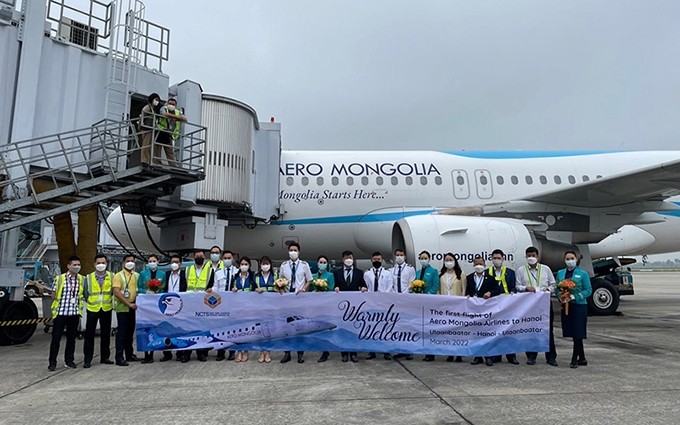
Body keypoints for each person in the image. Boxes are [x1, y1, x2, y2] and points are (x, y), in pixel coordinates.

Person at [516, 246, 558, 366]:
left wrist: (547, 289)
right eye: (529, 256)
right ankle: (531, 356)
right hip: (529, 305)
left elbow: (553, 285)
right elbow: (517, 286)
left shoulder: (545, 269)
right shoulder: (521, 270)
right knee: (531, 330)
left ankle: (551, 357)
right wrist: (525, 288)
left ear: (538, 256)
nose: (531, 258)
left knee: (548, 330)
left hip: (544, 303)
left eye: (533, 255)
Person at [556, 251, 592, 369]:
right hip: (566, 306)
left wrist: (575, 296)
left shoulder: (583, 274)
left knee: (578, 332)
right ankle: (582, 357)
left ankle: (574, 358)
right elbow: (557, 289)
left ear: (576, 260)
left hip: (579, 305)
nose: (569, 260)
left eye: (572, 258)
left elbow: (588, 290)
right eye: (567, 258)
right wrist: (561, 297)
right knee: (573, 331)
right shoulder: (560, 273)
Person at [278, 242, 313, 363]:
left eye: (295, 250)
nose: (293, 252)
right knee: (286, 327)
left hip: (300, 299)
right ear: (288, 252)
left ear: (299, 252)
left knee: (300, 326)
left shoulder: (304, 265)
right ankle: (287, 353)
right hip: (287, 299)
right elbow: (279, 280)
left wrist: (304, 288)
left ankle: (300, 353)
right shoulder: (284, 265)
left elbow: (309, 280)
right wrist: (280, 289)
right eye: (291, 250)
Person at [48, 255, 84, 371]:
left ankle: (69, 360)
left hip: (74, 313)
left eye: (78, 265)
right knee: (56, 339)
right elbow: (53, 295)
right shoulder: (59, 279)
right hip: (61, 313)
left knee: (71, 339)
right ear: (68, 266)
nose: (77, 267)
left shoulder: (81, 279)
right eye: (74, 265)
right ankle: (52, 362)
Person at [485, 249, 519, 365]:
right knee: (493, 331)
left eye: (499, 258)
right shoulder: (487, 272)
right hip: (492, 306)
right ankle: (493, 355)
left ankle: (511, 356)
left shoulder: (510, 272)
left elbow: (514, 287)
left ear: (503, 259)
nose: (497, 260)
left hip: (507, 306)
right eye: (495, 258)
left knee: (509, 330)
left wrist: (512, 294)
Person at [333, 250, 367, 363]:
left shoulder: (359, 272)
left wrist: (363, 288)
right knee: (343, 329)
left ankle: (353, 352)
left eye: (350, 257)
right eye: (346, 257)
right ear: (343, 259)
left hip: (354, 306)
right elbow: (335, 285)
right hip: (341, 306)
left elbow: (363, 285)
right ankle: (344, 353)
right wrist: (336, 288)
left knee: (353, 330)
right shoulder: (336, 273)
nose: (349, 259)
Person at [82, 254, 114, 368]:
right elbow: (85, 293)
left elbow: (113, 291)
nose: (101, 265)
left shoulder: (112, 276)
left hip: (106, 307)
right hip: (93, 308)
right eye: (99, 263)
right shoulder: (88, 277)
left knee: (106, 334)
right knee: (89, 335)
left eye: (103, 263)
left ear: (107, 264)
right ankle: (87, 359)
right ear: (94, 264)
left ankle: (105, 357)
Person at [207, 249, 239, 361]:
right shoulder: (218, 272)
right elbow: (216, 286)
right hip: (221, 304)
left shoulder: (237, 271)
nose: (227, 260)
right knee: (220, 329)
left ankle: (231, 351)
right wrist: (211, 289)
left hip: (232, 304)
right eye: (225, 258)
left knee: (232, 330)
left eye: (229, 258)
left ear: (233, 259)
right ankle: (220, 352)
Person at [466, 256, 498, 367]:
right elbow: (467, 290)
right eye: (476, 264)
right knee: (476, 333)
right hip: (474, 309)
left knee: (486, 333)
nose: (478, 266)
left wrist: (490, 293)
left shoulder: (490, 278)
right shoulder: (469, 277)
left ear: (484, 265)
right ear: (473, 265)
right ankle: (477, 356)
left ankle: (489, 357)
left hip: (486, 309)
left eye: (481, 264)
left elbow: (497, 290)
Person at [364, 251, 394, 361]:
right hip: (371, 303)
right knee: (371, 327)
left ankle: (386, 351)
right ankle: (372, 351)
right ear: (372, 260)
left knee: (385, 327)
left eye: (379, 259)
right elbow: (365, 287)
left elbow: (390, 286)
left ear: (382, 260)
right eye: (375, 260)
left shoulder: (387, 273)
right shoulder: (367, 273)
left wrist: (382, 298)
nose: (377, 261)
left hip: (384, 303)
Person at [183, 249, 211, 362]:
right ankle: (186, 353)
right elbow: (183, 286)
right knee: (188, 329)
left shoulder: (209, 271)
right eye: (197, 255)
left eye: (201, 256)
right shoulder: (187, 270)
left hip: (202, 303)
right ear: (194, 257)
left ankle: (201, 353)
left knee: (201, 329)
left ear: (204, 257)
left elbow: (211, 285)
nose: (199, 257)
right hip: (189, 303)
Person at [138, 254, 166, 364]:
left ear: (158, 261)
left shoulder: (162, 274)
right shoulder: (143, 273)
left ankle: (153, 352)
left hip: (156, 305)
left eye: (154, 260)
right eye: (150, 261)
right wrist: (146, 292)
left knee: (156, 328)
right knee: (146, 328)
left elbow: (164, 287)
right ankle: (146, 354)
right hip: (145, 304)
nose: (152, 262)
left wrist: (158, 292)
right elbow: (139, 287)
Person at [112, 255, 139, 366]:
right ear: (123, 262)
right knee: (121, 333)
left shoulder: (137, 275)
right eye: (128, 261)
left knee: (130, 332)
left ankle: (129, 354)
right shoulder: (118, 276)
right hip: (123, 308)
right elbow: (116, 292)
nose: (130, 263)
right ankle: (119, 357)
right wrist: (128, 304)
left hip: (134, 308)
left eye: (132, 261)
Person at [159, 254, 187, 362]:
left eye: (177, 262)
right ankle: (167, 353)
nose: (174, 264)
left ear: (181, 263)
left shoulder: (184, 275)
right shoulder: (166, 275)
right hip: (168, 305)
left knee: (179, 329)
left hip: (179, 305)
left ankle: (180, 352)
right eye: (172, 262)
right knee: (167, 329)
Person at [439, 253, 464, 362]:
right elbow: (439, 290)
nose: (448, 262)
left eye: (450, 259)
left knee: (457, 330)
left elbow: (463, 289)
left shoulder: (461, 274)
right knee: (448, 331)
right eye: (446, 260)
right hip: (445, 306)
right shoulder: (442, 275)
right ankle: (449, 352)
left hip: (457, 306)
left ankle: (459, 353)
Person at [391, 248, 416, 361]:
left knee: (408, 326)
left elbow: (412, 284)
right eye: (397, 255)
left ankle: (409, 350)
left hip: (406, 300)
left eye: (401, 255)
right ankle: (400, 349)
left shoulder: (410, 269)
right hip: (396, 301)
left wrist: (404, 296)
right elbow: (391, 285)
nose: (399, 257)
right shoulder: (392, 270)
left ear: (405, 257)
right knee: (398, 326)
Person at [232, 257, 256, 362]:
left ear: (249, 265)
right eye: (242, 264)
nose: (244, 266)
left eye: (246, 264)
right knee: (237, 331)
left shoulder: (252, 277)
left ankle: (245, 351)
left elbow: (255, 289)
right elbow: (229, 290)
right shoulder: (235, 277)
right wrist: (233, 290)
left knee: (247, 331)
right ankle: (239, 351)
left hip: (248, 307)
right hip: (237, 307)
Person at [314, 255, 336, 363]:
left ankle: (325, 351)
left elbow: (331, 289)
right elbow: (310, 290)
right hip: (315, 306)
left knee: (325, 327)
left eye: (324, 262)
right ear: (317, 263)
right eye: (320, 262)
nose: (322, 264)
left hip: (326, 306)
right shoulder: (313, 276)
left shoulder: (330, 275)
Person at [417, 250, 439, 361]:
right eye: (422, 258)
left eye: (425, 258)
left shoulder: (433, 271)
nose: (423, 260)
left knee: (430, 328)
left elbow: (436, 285)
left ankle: (431, 353)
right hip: (419, 303)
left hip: (429, 302)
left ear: (429, 259)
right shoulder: (417, 272)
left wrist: (427, 295)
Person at [254, 256, 277, 363]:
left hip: (271, 305)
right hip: (260, 305)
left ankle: (268, 351)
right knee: (260, 330)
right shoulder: (256, 276)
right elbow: (252, 288)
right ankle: (261, 352)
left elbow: (278, 288)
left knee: (269, 330)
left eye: (267, 263)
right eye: (263, 263)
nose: (265, 266)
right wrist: (256, 289)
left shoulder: (275, 276)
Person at [156, 97, 187, 167]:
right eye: (170, 103)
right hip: (160, 131)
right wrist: (177, 117)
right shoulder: (164, 108)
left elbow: (184, 119)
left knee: (170, 151)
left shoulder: (177, 111)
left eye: (173, 104)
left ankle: (173, 166)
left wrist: (177, 117)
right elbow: (163, 114)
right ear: (167, 103)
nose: (171, 105)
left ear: (175, 105)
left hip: (169, 133)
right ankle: (157, 164)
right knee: (158, 149)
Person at [139, 93, 161, 165]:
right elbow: (142, 117)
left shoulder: (154, 108)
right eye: (156, 99)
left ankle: (150, 162)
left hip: (152, 129)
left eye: (158, 100)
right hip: (146, 129)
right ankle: (144, 161)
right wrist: (141, 127)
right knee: (146, 145)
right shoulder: (147, 108)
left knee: (151, 146)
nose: (157, 101)